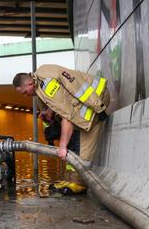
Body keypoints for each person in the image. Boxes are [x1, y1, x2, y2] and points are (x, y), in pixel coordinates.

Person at [13, 65, 110, 195]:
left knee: (83, 144)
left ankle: (79, 183)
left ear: (30, 84)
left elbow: (67, 116)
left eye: (24, 92)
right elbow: (65, 97)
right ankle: (70, 179)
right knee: (73, 143)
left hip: (97, 97)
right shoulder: (41, 78)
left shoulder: (47, 87)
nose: (26, 96)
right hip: (89, 99)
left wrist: (62, 146)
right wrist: (49, 111)